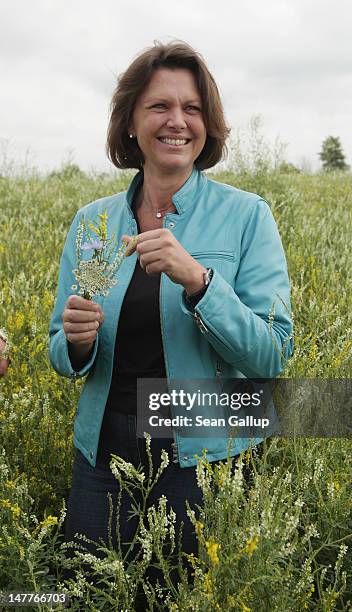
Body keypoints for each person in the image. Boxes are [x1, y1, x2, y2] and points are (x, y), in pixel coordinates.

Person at [49, 40, 293, 600]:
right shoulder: (92, 224)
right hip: (103, 453)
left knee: (185, 596)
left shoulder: (246, 215)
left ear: (208, 126)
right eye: (160, 106)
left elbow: (272, 355)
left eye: (193, 108)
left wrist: (200, 283)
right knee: (90, 593)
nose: (177, 121)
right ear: (131, 122)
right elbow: (60, 350)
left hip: (205, 459)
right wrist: (77, 342)